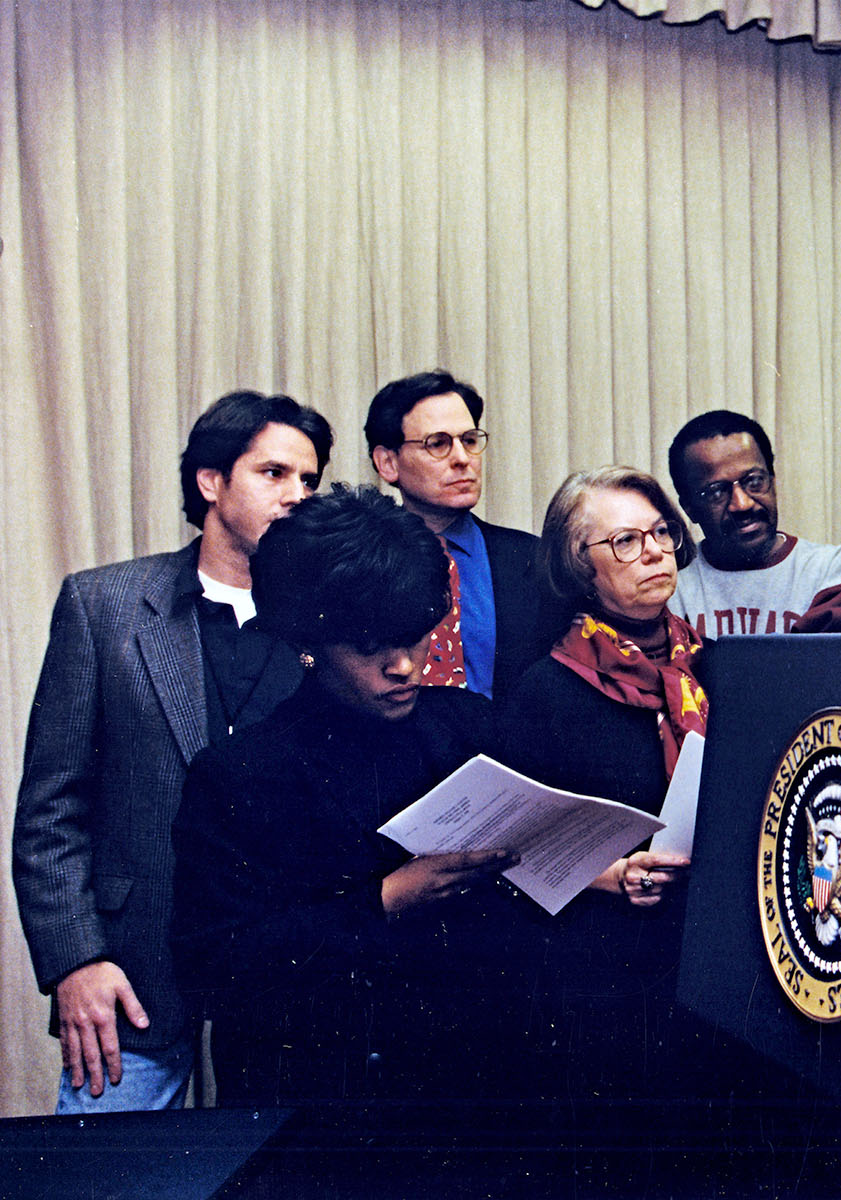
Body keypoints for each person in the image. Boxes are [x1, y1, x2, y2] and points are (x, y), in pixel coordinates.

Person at [12, 390, 332, 1112]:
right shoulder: (104, 607)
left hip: (280, 973)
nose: (296, 496)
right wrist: (76, 959)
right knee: (107, 1183)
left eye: (308, 481)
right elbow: (49, 809)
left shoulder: (324, 624)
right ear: (211, 481)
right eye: (274, 474)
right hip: (131, 974)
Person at [172, 486, 545, 1104]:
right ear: (306, 644)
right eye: (372, 647)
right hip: (322, 1098)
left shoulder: (467, 725)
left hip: (473, 1084)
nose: (403, 666)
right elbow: (213, 969)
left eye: (417, 636)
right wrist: (387, 899)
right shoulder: (241, 773)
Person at [501, 466, 704, 1096]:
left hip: (708, 958)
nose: (653, 552)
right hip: (600, 976)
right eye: (625, 541)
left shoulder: (716, 669)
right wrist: (609, 875)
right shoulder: (545, 690)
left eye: (661, 533)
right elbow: (507, 849)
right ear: (578, 565)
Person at [366, 370, 568, 698]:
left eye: (470, 441)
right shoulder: (359, 564)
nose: (463, 459)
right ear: (388, 463)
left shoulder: (534, 560)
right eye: (438, 444)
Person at [666, 409, 841, 635]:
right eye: (716, 492)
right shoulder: (672, 584)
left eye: (754, 481)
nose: (742, 504)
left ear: (773, 481)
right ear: (689, 509)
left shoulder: (832, 570)